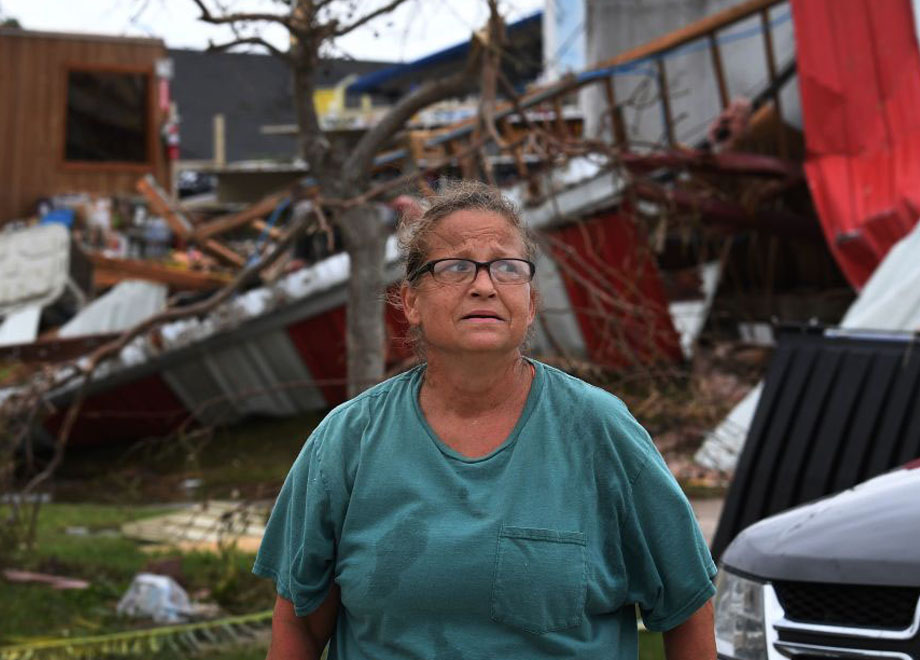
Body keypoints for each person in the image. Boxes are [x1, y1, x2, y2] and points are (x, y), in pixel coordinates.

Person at [253, 181, 717, 660]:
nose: (483, 285)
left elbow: (687, 602)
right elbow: (300, 623)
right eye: (455, 267)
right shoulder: (348, 440)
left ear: (530, 304)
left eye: (507, 268)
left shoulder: (599, 430)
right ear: (411, 302)